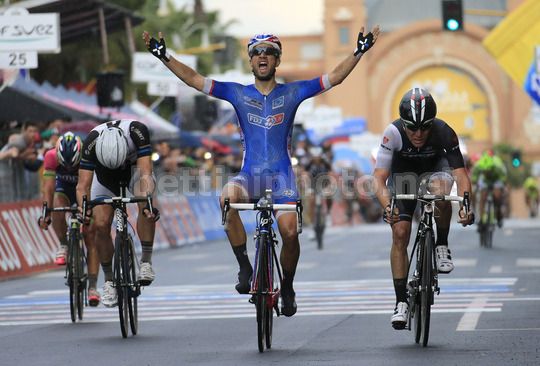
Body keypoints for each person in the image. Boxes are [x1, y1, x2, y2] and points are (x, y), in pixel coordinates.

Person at [143, 25, 380, 316]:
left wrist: (359, 52)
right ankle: (245, 268)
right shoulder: (238, 93)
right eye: (257, 52)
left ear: (277, 60)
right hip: (249, 177)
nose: (263, 56)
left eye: (270, 52)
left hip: (282, 179)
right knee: (226, 199)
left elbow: (335, 78)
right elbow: (194, 80)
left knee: (290, 233)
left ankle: (288, 286)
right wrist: (164, 56)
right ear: (251, 61)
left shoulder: (293, 92)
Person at [373, 87, 474, 330]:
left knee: (440, 191)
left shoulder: (444, 132)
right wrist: (388, 206)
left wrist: (466, 206)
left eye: (424, 127)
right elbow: (378, 179)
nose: (418, 133)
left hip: (434, 170)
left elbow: (461, 176)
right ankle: (400, 302)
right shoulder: (393, 133)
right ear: (403, 124)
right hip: (404, 174)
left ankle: (441, 245)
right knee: (400, 232)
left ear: (432, 123)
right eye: (412, 127)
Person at [76, 120, 159, 308]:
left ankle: (146, 261)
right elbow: (83, 186)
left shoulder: (137, 132)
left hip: (133, 170)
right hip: (104, 175)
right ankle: (109, 280)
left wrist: (146, 202)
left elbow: (146, 174)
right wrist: (85, 209)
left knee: (145, 204)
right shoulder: (92, 141)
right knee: (100, 224)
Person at [37, 132, 101, 306]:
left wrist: (86, 211)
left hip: (86, 187)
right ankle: (64, 244)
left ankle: (93, 287)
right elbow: (48, 189)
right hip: (64, 188)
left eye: (73, 166)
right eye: (66, 167)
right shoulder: (50, 156)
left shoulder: (89, 155)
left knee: (90, 236)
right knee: (57, 204)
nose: (69, 170)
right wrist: (46, 214)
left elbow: (90, 187)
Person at [471, 151, 507, 228]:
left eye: (488, 170)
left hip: (496, 179)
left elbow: (503, 178)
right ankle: (481, 219)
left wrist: (501, 188)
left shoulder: (498, 166)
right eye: (485, 171)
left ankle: (499, 215)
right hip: (485, 180)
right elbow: (474, 177)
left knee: (497, 196)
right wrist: (475, 182)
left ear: (492, 167)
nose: (487, 172)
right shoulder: (478, 166)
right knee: (482, 197)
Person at [305, 146, 334, 229]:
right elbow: (304, 173)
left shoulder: (325, 163)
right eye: (315, 157)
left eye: (318, 156)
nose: (316, 158)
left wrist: (331, 183)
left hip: (324, 184)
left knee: (329, 194)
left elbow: (331, 172)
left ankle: (328, 213)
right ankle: (311, 223)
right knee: (311, 201)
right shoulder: (309, 163)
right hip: (312, 186)